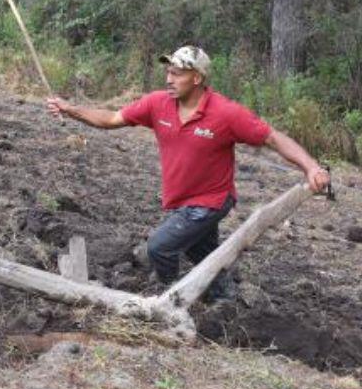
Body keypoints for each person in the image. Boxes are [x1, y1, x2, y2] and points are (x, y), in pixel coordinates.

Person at [46, 46, 331, 300]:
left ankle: (173, 297)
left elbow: (273, 138)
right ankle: (223, 299)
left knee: (159, 247)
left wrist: (311, 167)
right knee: (200, 252)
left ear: (197, 78)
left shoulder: (226, 113)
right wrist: (70, 109)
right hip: (182, 201)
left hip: (211, 201)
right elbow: (111, 119)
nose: (169, 79)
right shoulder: (157, 103)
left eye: (177, 73)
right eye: (168, 72)